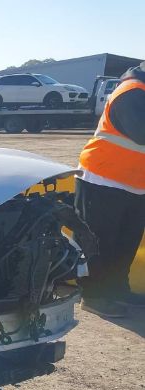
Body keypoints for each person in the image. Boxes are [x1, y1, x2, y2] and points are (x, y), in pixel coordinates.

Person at [75, 61, 145, 318]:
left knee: (125, 243)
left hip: (135, 182)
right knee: (99, 242)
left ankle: (118, 290)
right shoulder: (133, 91)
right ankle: (93, 296)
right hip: (104, 177)